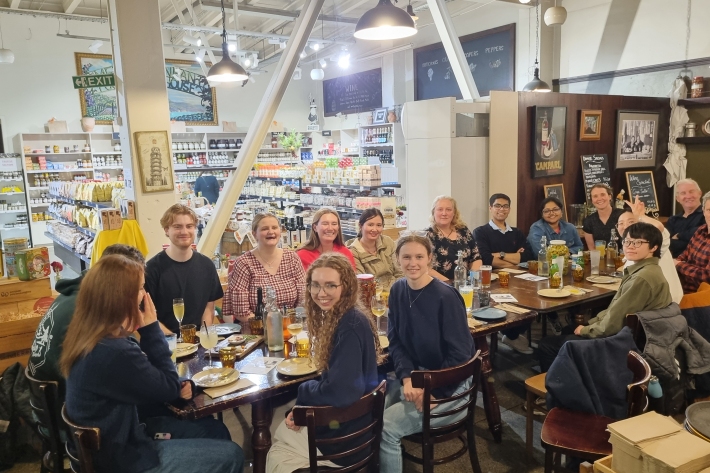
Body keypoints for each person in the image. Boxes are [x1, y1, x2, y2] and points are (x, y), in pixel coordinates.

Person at [60, 255, 244, 473]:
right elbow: (165, 387)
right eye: (139, 289)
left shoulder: (89, 336)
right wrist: (150, 327)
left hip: (117, 439)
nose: (145, 295)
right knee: (232, 454)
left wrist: (175, 386)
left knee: (214, 430)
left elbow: (147, 382)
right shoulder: (113, 351)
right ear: (121, 297)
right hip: (125, 458)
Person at [265, 254, 379, 473]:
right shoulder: (348, 315)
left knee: (276, 442)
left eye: (330, 286)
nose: (321, 293)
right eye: (315, 285)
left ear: (345, 286)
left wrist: (304, 393)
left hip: (345, 440)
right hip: (359, 426)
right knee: (286, 420)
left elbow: (342, 392)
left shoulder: (349, 325)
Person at [380, 234, 475, 473]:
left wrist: (434, 391)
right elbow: (396, 341)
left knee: (386, 426)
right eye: (407, 257)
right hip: (419, 377)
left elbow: (461, 356)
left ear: (430, 259)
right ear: (397, 260)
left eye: (419, 256)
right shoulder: (397, 289)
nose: (413, 263)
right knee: (371, 407)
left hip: (451, 387)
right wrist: (408, 377)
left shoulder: (446, 296)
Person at [538, 223, 672, 372]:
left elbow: (614, 323)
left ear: (654, 247)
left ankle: (558, 390)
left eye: (638, 242)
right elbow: (614, 311)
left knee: (546, 345)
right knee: (569, 329)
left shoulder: (642, 278)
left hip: (626, 342)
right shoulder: (648, 269)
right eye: (627, 241)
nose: (630, 246)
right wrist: (590, 323)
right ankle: (578, 373)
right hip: (637, 334)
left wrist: (586, 330)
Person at [28, 244, 145, 402]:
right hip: (63, 410)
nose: (140, 293)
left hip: (46, 401)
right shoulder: (87, 307)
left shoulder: (75, 294)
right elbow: (124, 367)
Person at [145, 204, 223, 335]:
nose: (184, 232)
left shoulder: (207, 265)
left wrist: (203, 337)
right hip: (166, 344)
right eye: (177, 227)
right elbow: (146, 316)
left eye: (189, 226)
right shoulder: (151, 269)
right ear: (166, 230)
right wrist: (175, 341)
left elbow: (209, 307)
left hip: (198, 342)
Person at [473, 193, 534, 354]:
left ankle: (511, 334)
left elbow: (528, 256)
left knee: (531, 304)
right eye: (498, 206)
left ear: (509, 209)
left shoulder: (516, 232)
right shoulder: (480, 232)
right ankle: (508, 334)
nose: (502, 209)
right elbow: (486, 259)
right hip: (491, 282)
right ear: (490, 208)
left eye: (505, 206)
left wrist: (499, 254)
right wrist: (514, 258)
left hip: (517, 280)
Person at [223, 213, 306, 323]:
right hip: (256, 330)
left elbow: (303, 300)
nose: (271, 232)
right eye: (265, 229)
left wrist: (290, 323)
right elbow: (241, 312)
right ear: (254, 234)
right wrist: (271, 327)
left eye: (274, 227)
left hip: (290, 327)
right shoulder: (244, 263)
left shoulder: (292, 258)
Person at [616, 197, 683, 304]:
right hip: (646, 302)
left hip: (665, 305)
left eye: (631, 221)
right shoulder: (630, 248)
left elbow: (658, 226)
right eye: (621, 223)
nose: (625, 226)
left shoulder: (654, 240)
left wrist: (641, 215)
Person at [425, 195, 482, 281]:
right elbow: (425, 267)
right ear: (433, 212)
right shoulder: (427, 235)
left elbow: (476, 257)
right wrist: (450, 285)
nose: (444, 213)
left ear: (454, 213)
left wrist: (473, 279)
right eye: (440, 209)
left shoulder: (463, 230)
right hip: (439, 285)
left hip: (465, 285)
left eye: (448, 209)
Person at [345, 208, 403, 290]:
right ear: (361, 226)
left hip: (397, 291)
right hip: (372, 296)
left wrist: (397, 292)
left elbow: (400, 271)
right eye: (370, 225)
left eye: (379, 225)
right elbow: (362, 284)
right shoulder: (353, 252)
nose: (375, 229)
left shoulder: (388, 242)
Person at [674, 191, 710, 293]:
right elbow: (684, 256)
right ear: (703, 211)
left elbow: (707, 277)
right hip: (682, 289)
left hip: (702, 300)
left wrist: (678, 265)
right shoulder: (700, 230)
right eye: (709, 210)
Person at [667, 178, 705, 258]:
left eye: (691, 191)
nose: (688, 196)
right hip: (675, 263)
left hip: (698, 263)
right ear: (677, 198)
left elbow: (701, 238)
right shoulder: (673, 220)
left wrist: (679, 236)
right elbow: (667, 243)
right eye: (683, 193)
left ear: (700, 193)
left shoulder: (706, 215)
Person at [582, 184, 625, 250]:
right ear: (592, 201)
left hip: (624, 258)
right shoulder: (588, 221)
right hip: (601, 259)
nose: (599, 199)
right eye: (595, 196)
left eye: (602, 195)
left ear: (610, 196)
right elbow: (592, 249)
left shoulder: (623, 215)